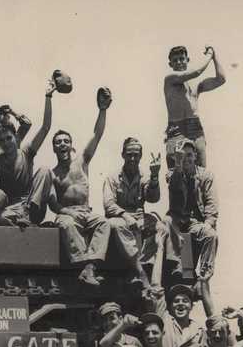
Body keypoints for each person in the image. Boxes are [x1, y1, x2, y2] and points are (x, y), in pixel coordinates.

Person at [48, 87, 112, 286]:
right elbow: (53, 205)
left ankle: (89, 268)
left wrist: (103, 110)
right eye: (58, 142)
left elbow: (97, 134)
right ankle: (82, 264)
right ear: (54, 148)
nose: (62, 144)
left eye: (66, 141)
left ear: (71, 145)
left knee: (103, 222)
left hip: (86, 212)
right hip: (68, 214)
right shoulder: (52, 173)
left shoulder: (82, 161)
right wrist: (68, 212)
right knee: (65, 223)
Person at [0, 77, 56, 226]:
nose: (6, 143)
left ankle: (28, 217)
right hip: (11, 209)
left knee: (45, 171)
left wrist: (48, 96)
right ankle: (21, 223)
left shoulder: (26, 151)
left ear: (16, 136)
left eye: (9, 138)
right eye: (2, 140)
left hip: (32, 206)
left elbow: (45, 127)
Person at [103, 137, 161, 288]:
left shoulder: (144, 177)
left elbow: (153, 198)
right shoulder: (113, 177)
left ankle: (145, 265)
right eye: (129, 154)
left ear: (141, 156)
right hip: (118, 217)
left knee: (160, 227)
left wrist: (155, 177)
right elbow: (108, 204)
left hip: (139, 217)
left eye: (136, 155)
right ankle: (139, 271)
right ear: (122, 155)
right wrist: (126, 216)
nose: (133, 158)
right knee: (116, 225)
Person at [163, 45, 225, 169]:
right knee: (175, 173)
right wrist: (209, 55)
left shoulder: (195, 83)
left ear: (188, 60)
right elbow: (196, 72)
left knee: (201, 172)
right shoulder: (170, 78)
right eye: (175, 60)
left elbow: (221, 79)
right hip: (176, 129)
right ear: (170, 64)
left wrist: (215, 56)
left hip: (195, 127)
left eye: (181, 59)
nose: (179, 62)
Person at [166, 139, 219, 283]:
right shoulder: (173, 174)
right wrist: (178, 165)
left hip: (195, 223)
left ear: (195, 156)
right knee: (167, 222)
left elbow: (211, 203)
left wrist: (208, 223)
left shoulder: (205, 176)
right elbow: (175, 185)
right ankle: (180, 267)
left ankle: (204, 276)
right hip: (177, 221)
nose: (186, 159)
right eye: (182, 155)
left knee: (210, 234)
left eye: (189, 155)